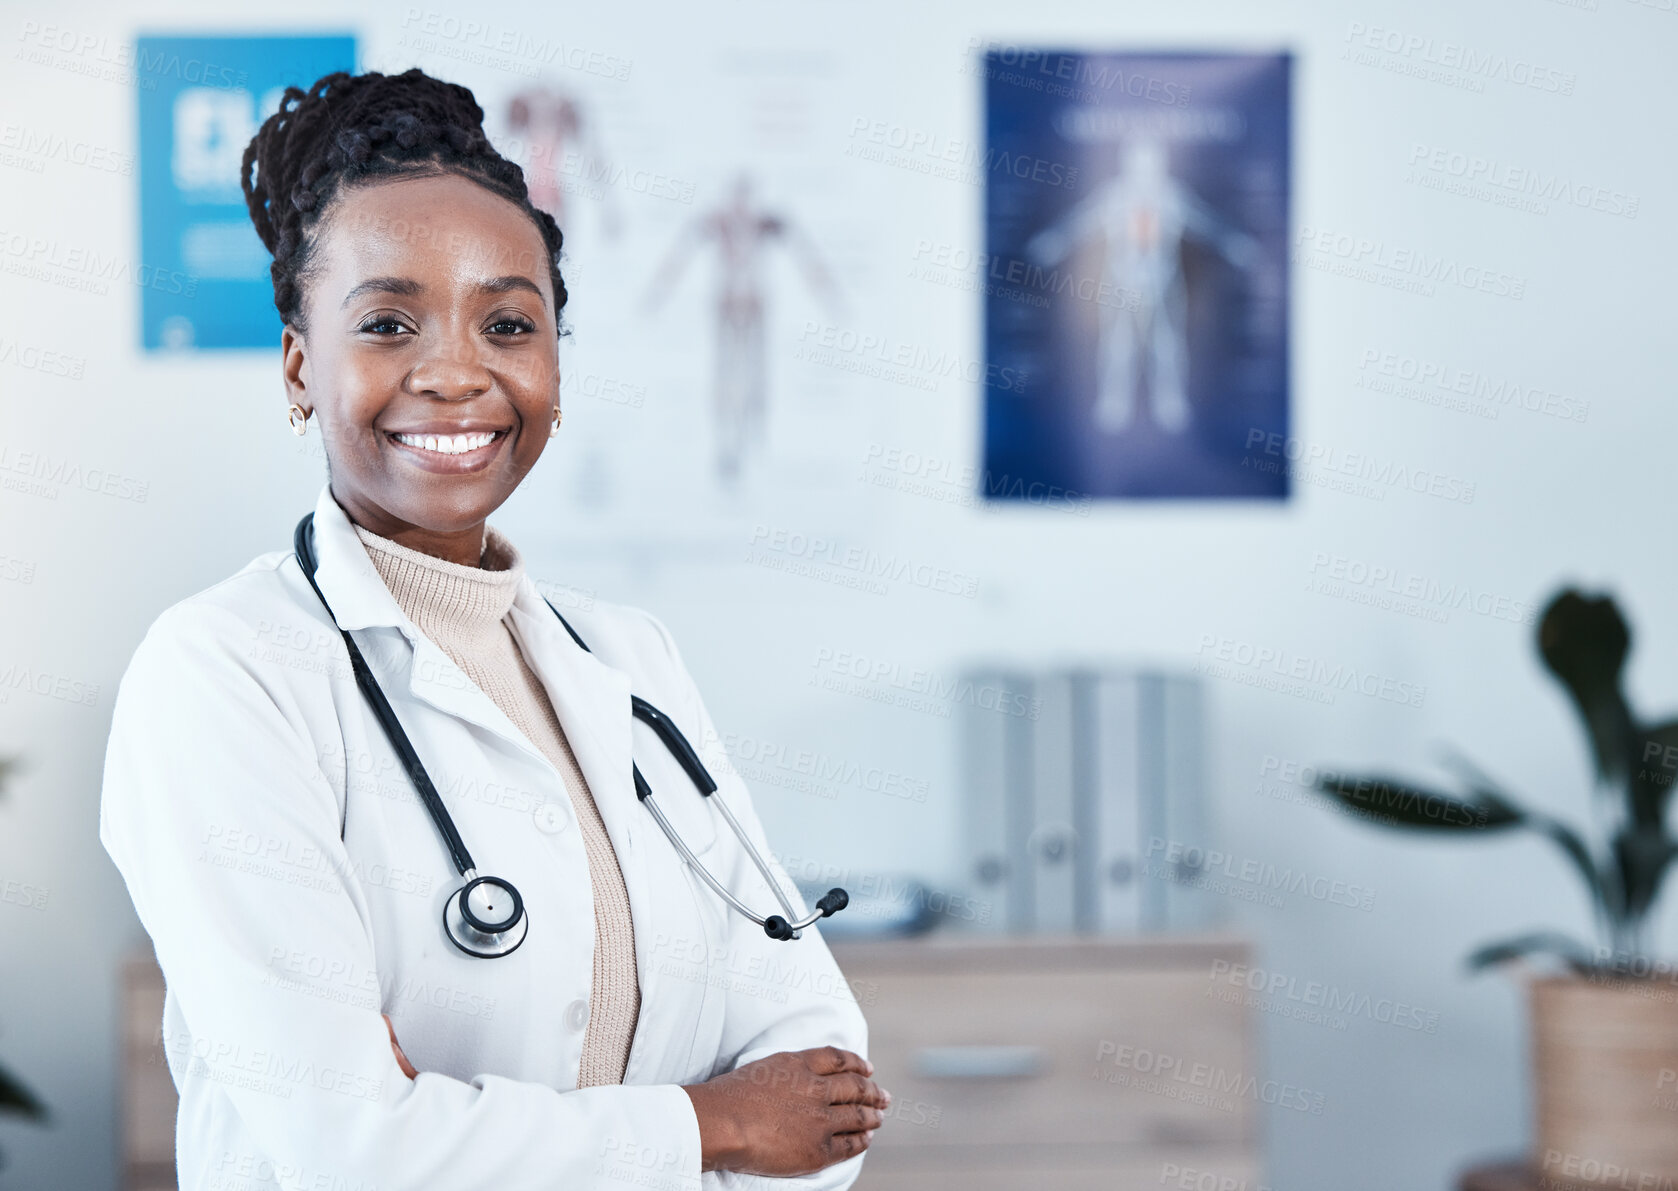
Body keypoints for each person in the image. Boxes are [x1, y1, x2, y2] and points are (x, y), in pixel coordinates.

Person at [98, 67, 885, 1191]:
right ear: (299, 366)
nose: (456, 372)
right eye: (386, 322)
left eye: (508, 322)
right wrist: (710, 1125)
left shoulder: (627, 659)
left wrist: (473, 1128)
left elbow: (819, 1077)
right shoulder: (224, 670)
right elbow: (348, 1146)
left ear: (556, 364)